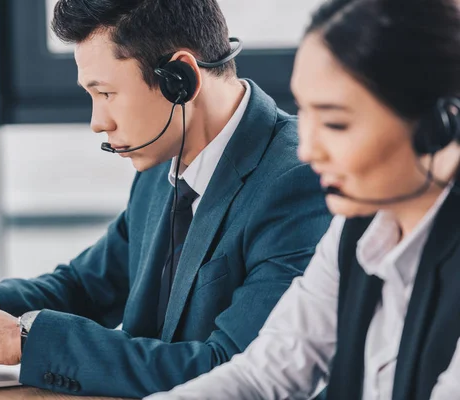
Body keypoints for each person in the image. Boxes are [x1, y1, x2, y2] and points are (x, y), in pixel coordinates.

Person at [0, 0, 330, 398]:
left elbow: (235, 372)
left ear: (180, 79)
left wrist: (23, 341)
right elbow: (87, 284)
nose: (96, 122)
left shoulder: (298, 184)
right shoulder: (166, 156)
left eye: (106, 94)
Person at [146, 0, 460, 399]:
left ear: (440, 126)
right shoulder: (359, 229)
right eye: (304, 113)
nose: (308, 150)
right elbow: (265, 375)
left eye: (334, 122)